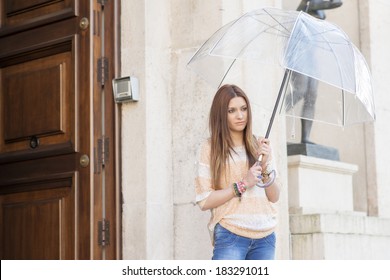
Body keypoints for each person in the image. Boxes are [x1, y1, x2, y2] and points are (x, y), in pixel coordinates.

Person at [195, 84, 281, 260]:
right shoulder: (210, 148)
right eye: (231, 111)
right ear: (221, 114)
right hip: (230, 234)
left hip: (265, 237)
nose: (240, 115)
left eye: (243, 109)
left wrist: (265, 167)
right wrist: (243, 184)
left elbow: (274, 196)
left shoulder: (260, 145)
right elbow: (204, 200)